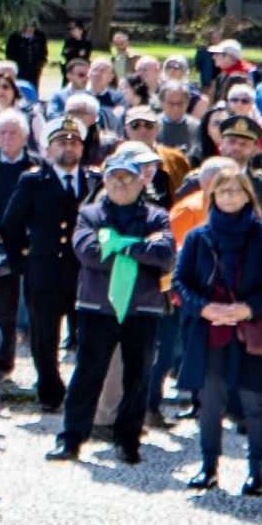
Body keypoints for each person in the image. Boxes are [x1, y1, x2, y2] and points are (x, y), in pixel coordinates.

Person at [49, 145, 178, 467]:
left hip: (142, 309)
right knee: (88, 374)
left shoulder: (157, 216)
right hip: (97, 307)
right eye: (114, 178)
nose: (121, 184)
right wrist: (138, 248)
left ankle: (128, 441)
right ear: (105, 180)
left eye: (128, 178)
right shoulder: (90, 214)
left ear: (140, 182)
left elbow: (163, 255)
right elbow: (88, 252)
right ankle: (71, 439)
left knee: (137, 377)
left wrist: (116, 244)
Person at [173, 161, 262, 496]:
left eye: (236, 190)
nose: (229, 196)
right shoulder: (198, 237)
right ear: (212, 196)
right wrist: (205, 308)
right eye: (223, 190)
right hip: (211, 332)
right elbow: (181, 283)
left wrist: (247, 308)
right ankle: (208, 467)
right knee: (210, 402)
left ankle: (257, 473)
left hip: (251, 331)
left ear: (248, 195)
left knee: (254, 404)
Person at [0, 121, 95, 413]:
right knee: (45, 335)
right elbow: (11, 224)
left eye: (73, 142)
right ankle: (50, 391)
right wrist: (23, 261)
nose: (68, 148)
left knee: (88, 334)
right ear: (49, 148)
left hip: (83, 272)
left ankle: (84, 392)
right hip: (44, 269)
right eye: (61, 143)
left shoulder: (94, 180)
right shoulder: (33, 180)